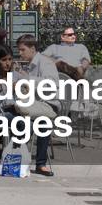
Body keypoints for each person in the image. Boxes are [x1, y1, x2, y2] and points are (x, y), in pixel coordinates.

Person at [14, 34, 61, 178]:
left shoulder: (45, 63)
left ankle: (37, 162)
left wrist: (27, 79)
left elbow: (51, 84)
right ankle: (20, 157)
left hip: (49, 104)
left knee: (41, 121)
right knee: (23, 120)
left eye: (22, 50)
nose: (20, 53)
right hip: (36, 105)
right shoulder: (30, 65)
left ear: (33, 48)